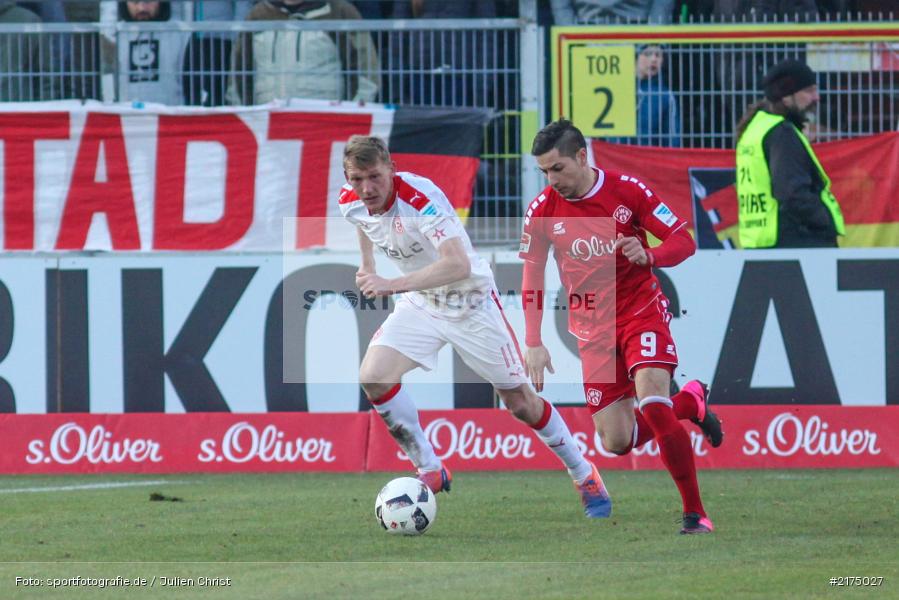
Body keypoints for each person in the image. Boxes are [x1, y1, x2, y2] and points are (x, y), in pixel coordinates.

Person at [338, 135, 612, 518]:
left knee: (521, 403)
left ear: (391, 170)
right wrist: (367, 267)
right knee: (374, 376)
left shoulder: (420, 198)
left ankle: (583, 473)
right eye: (356, 179)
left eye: (374, 177)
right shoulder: (350, 200)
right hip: (422, 302)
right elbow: (363, 225)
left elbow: (458, 265)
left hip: (470, 302)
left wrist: (390, 283)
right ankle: (430, 467)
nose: (366, 188)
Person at [521, 119, 724, 535]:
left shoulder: (628, 191)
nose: (550, 179)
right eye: (544, 171)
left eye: (557, 168)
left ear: (581, 157)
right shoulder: (543, 210)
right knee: (616, 442)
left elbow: (683, 240)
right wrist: (534, 341)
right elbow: (531, 277)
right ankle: (690, 402)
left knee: (652, 403)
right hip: (592, 329)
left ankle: (695, 513)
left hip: (640, 312)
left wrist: (650, 254)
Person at [735, 59, 845, 248]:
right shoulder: (782, 133)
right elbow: (792, 193)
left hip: (763, 240)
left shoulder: (755, 128)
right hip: (797, 240)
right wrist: (825, 220)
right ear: (786, 97)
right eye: (809, 91)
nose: (816, 97)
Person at [229, 0, 379, 106]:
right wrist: (245, 113)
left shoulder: (340, 11)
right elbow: (239, 70)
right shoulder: (257, 15)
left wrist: (357, 110)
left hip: (325, 121)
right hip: (268, 121)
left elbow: (366, 68)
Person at [117, 1, 190, 105]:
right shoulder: (115, 34)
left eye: (148, 1)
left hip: (169, 114)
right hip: (125, 115)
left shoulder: (180, 33)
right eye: (135, 2)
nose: (142, 8)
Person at [613, 44, 681, 147]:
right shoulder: (616, 89)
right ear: (635, 57)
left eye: (658, 55)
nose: (653, 59)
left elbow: (672, 140)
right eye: (648, 54)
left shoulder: (665, 96)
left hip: (648, 159)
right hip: (613, 157)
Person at [0, 1, 56, 101]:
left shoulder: (29, 21)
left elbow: (46, 75)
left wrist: (44, 110)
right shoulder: (30, 20)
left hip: (16, 111)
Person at [551, 0, 674, 24]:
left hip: (639, 32)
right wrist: (572, 40)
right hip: (584, 33)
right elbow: (561, 5)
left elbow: (662, 3)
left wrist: (652, 43)